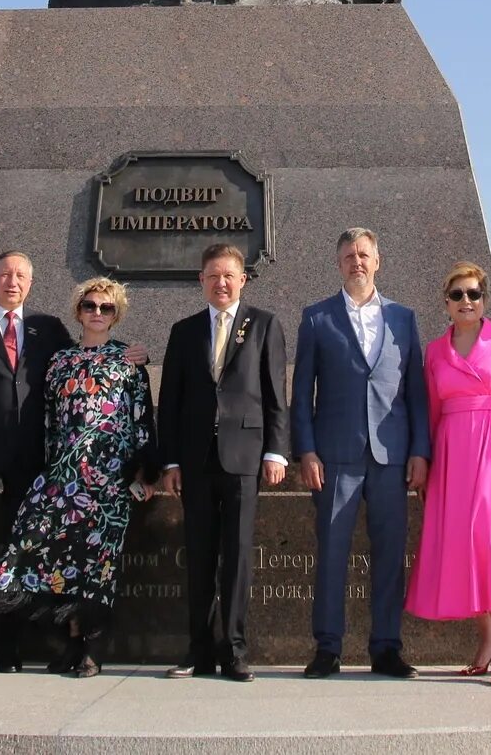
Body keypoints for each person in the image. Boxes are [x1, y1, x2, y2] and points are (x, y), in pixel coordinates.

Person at [0, 250, 144, 672]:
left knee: (18, 558)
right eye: (5, 274)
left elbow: (90, 361)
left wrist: (137, 355)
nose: (12, 281)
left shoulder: (48, 331)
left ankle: (9, 651)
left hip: (32, 465)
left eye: (21, 275)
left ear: (31, 283)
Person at [291, 227, 429, 679]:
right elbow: (301, 393)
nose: (357, 262)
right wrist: (306, 451)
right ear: (339, 263)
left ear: (378, 260)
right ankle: (327, 647)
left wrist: (420, 452)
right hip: (335, 456)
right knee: (331, 552)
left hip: (391, 456)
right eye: (349, 256)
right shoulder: (316, 318)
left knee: (390, 553)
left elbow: (417, 393)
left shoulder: (405, 319)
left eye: (364, 255)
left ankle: (386, 647)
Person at [157, 242, 288, 682]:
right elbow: (168, 404)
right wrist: (170, 461)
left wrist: (276, 450)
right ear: (201, 280)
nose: (221, 283)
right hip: (195, 461)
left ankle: (234, 650)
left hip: (245, 458)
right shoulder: (183, 330)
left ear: (242, 279)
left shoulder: (264, 325)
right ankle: (199, 651)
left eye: (229, 275)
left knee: (236, 557)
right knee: (199, 556)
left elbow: (274, 396)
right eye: (213, 275)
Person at [407, 262, 491, 686]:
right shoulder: (434, 351)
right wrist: (424, 462)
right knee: (465, 543)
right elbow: (429, 411)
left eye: (474, 294)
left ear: (484, 300)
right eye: (458, 295)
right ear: (445, 303)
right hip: (450, 450)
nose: (467, 301)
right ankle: (483, 642)